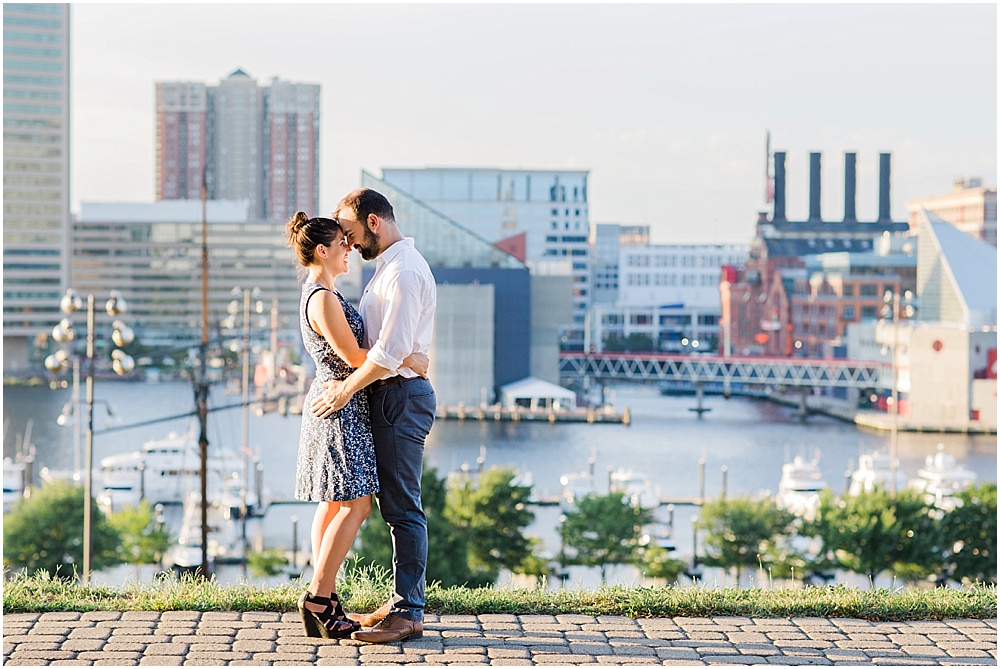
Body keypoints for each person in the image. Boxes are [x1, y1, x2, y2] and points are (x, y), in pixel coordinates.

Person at [284, 212, 428, 639]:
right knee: (357, 504)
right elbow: (354, 358)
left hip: (338, 401)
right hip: (340, 405)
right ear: (323, 251)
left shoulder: (322, 293)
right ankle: (319, 595)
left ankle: (324, 599)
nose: (350, 248)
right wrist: (409, 359)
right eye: (342, 243)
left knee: (332, 504)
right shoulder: (323, 298)